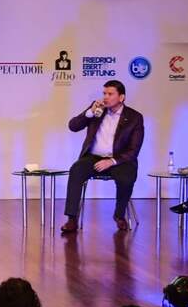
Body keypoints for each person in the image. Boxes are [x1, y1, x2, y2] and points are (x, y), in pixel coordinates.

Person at [60, 80, 144, 234]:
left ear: (121, 97)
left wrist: (111, 161)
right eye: (104, 93)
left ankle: (119, 215)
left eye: (110, 94)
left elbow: (134, 149)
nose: (105, 97)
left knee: (126, 177)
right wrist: (90, 112)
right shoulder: (97, 109)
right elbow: (73, 126)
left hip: (119, 159)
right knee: (76, 170)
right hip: (93, 157)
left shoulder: (134, 117)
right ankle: (72, 219)